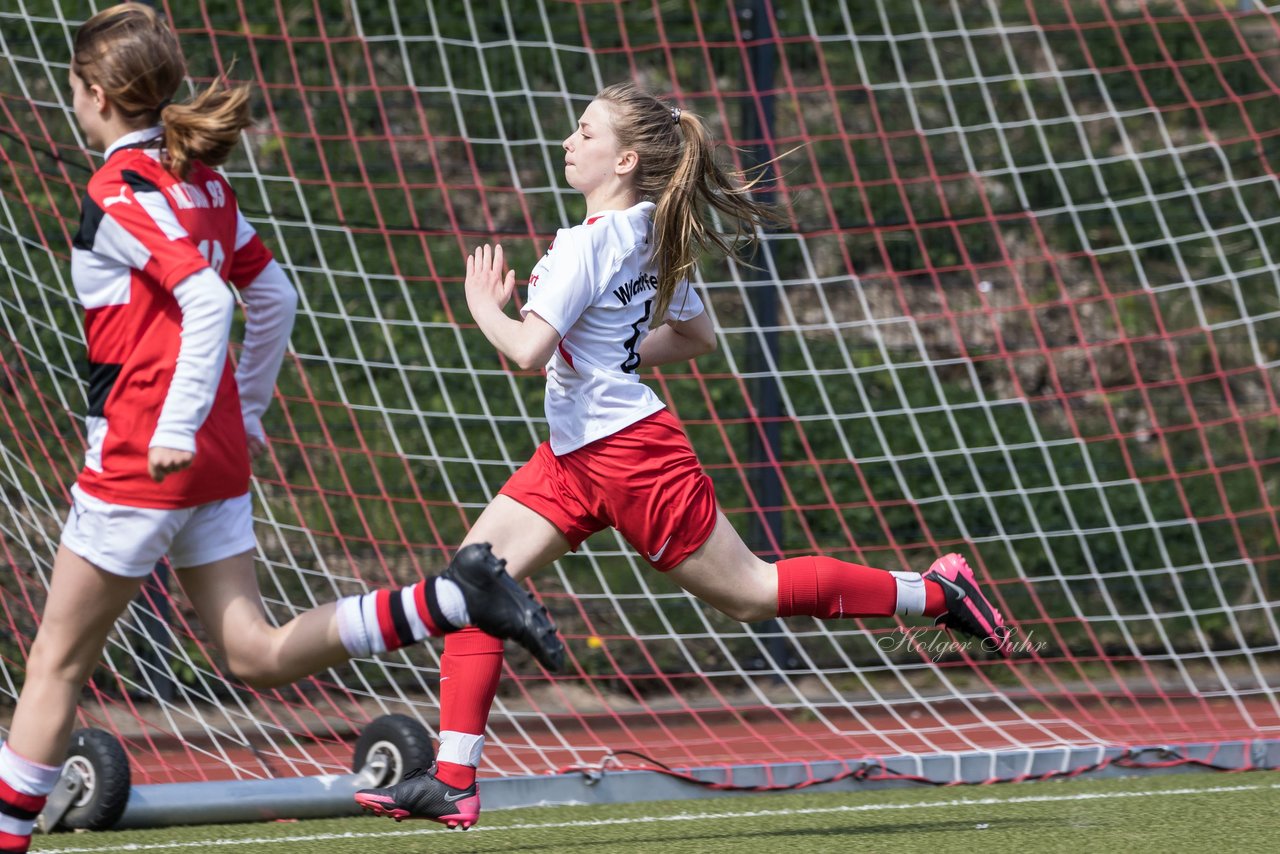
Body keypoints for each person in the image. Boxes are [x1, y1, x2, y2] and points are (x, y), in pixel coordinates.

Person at [354, 81, 1012, 829]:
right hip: (575, 456)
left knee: (751, 593)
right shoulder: (650, 231)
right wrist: (613, 362)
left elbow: (529, 351)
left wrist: (482, 308)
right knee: (470, 584)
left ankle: (935, 593)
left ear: (626, 158)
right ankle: (452, 779)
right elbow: (696, 337)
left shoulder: (588, 241)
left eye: (585, 131)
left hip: (631, 457)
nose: (570, 143)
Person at [0, 7, 561, 852]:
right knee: (253, 653)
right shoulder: (207, 184)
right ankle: (452, 597)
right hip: (210, 451)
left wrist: (179, 426)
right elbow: (273, 297)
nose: (71, 102)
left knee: (55, 666)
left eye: (75, 89)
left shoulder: (119, 188)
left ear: (98, 95)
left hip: (146, 453)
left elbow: (206, 299)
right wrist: (243, 413)